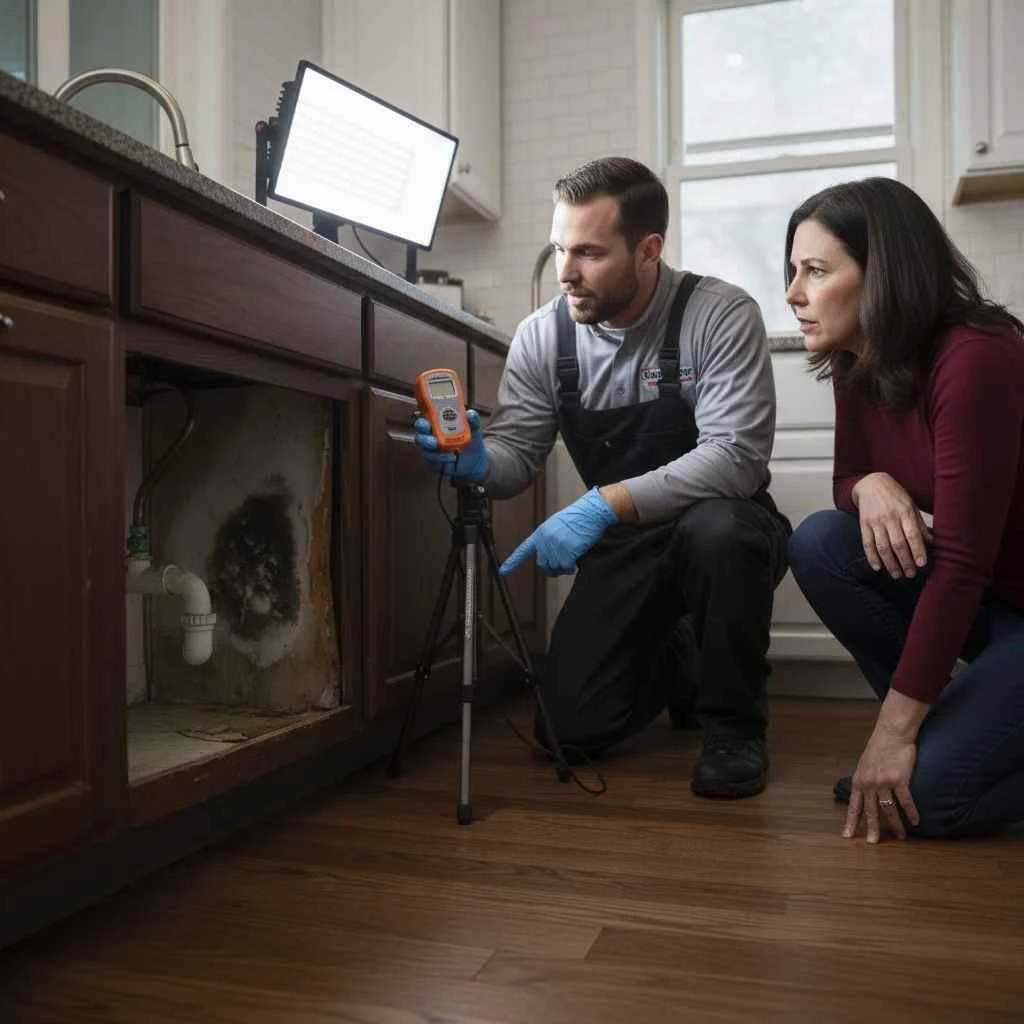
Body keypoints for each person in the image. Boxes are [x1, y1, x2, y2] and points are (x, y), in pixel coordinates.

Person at [417, 156, 791, 798]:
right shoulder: (542, 338)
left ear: (648, 251)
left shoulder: (719, 314)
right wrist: (480, 463)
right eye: (560, 248)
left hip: (722, 526)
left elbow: (735, 457)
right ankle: (680, 655)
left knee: (717, 534)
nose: (566, 272)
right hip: (628, 544)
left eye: (589, 253)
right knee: (565, 730)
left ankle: (732, 727)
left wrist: (600, 505)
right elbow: (517, 455)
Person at [785, 176, 1024, 842]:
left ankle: (918, 750)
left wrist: (890, 735)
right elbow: (844, 478)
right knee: (822, 543)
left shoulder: (977, 355)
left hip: (996, 594)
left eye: (816, 271)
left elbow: (962, 567)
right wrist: (869, 485)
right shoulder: (854, 356)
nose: (793, 293)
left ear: (882, 273)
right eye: (793, 270)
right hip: (992, 609)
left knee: (933, 805)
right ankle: (942, 733)